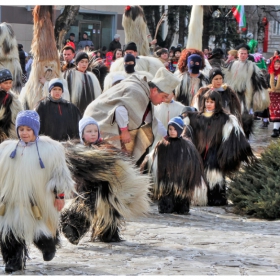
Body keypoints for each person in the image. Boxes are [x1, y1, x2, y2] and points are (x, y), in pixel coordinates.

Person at [0, 110, 75, 273]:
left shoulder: (51, 149)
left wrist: (59, 196)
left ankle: (49, 245)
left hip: (38, 200)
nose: (24, 133)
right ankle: (13, 260)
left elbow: (59, 174)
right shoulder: (6, 149)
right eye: (21, 129)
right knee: (9, 230)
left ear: (35, 129)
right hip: (12, 200)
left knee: (40, 230)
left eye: (28, 129)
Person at [60, 116, 151, 244]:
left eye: (95, 131)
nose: (92, 134)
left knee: (109, 217)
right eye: (89, 131)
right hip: (86, 190)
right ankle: (73, 230)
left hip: (106, 191)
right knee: (83, 211)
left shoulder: (105, 149)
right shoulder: (76, 150)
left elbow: (119, 165)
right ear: (82, 134)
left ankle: (108, 234)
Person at [84, 67, 181, 164]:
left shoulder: (145, 93)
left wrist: (167, 137)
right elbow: (120, 109)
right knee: (107, 160)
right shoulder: (138, 93)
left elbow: (153, 122)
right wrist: (124, 131)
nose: (164, 100)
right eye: (163, 96)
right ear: (155, 90)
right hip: (99, 117)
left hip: (106, 118)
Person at [182, 90, 254, 206]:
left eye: (212, 101)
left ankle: (217, 199)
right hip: (200, 154)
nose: (209, 104)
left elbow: (236, 136)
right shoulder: (196, 118)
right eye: (207, 101)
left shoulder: (225, 118)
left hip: (215, 154)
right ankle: (200, 198)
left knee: (215, 179)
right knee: (200, 177)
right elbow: (186, 131)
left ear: (217, 102)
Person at [140, 116, 207, 214]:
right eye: (170, 129)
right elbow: (153, 158)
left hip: (182, 181)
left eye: (175, 129)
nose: (172, 131)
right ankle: (166, 207)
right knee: (166, 201)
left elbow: (194, 163)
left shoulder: (188, 146)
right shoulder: (163, 145)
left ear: (180, 130)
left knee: (183, 202)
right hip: (166, 181)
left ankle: (182, 208)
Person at [223, 45, 270, 138]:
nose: (243, 55)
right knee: (232, 115)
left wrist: (262, 88)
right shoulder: (231, 65)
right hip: (233, 95)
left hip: (246, 95)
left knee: (245, 116)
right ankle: (233, 136)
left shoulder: (252, 66)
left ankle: (245, 137)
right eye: (241, 53)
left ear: (247, 55)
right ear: (238, 54)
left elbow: (259, 79)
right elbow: (225, 78)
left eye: (245, 54)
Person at [0, 69, 23, 142]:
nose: (8, 85)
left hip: (10, 132)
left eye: (10, 82)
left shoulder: (13, 98)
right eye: (5, 83)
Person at [267, 57, 280, 137]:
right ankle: (276, 129)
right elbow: (266, 84)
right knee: (274, 112)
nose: (277, 65)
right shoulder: (270, 74)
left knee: (278, 111)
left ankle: (275, 130)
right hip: (272, 96)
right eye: (275, 64)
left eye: (278, 64)